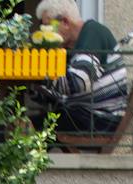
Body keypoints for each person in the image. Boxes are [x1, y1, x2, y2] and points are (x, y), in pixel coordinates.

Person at [32, 0, 127, 136]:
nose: (45, 33)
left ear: (65, 22)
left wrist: (43, 75)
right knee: (22, 126)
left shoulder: (92, 32)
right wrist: (35, 83)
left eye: (48, 26)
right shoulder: (69, 47)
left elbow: (78, 82)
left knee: (24, 131)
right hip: (85, 115)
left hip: (98, 119)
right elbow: (58, 91)